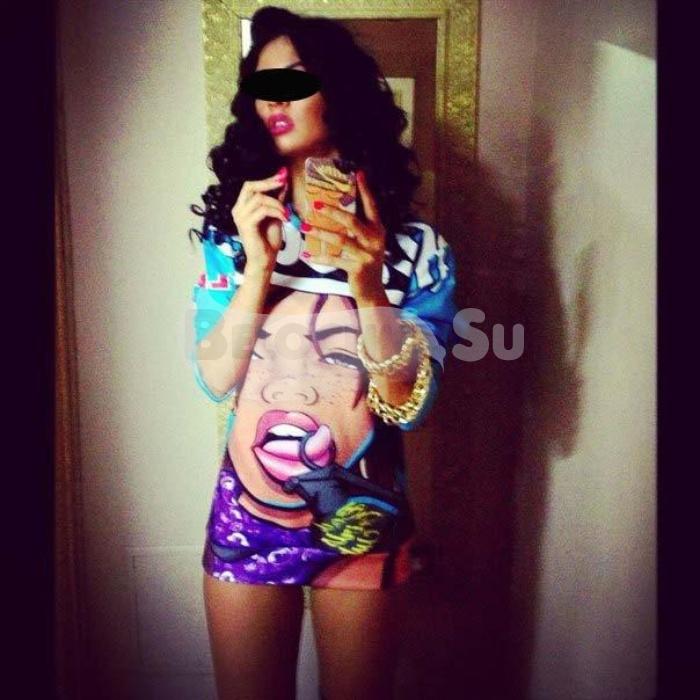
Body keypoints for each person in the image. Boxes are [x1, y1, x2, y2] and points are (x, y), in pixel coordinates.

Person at [187, 6, 458, 699]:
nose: (273, 101)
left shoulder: (417, 250)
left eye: (295, 81)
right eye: (262, 85)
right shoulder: (233, 233)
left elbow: (408, 409)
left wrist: (368, 286)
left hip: (368, 519)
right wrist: (257, 268)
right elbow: (215, 377)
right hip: (247, 518)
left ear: (339, 91)